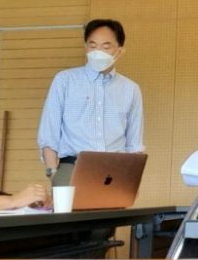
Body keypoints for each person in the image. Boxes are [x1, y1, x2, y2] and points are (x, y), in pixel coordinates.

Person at [38, 19, 144, 186]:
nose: (97, 52)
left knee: (116, 204)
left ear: (120, 51)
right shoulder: (65, 80)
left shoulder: (131, 89)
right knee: (68, 204)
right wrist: (52, 173)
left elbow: (134, 144)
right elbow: (49, 133)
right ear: (86, 47)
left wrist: (132, 180)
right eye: (92, 45)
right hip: (72, 166)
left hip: (116, 169)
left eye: (106, 47)